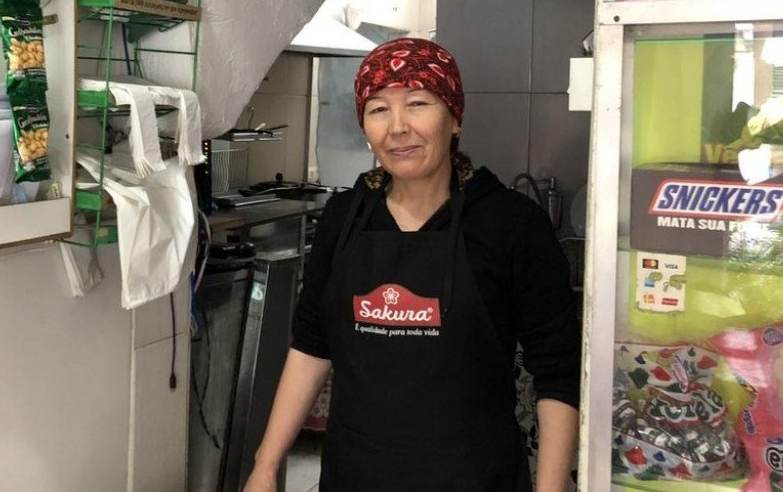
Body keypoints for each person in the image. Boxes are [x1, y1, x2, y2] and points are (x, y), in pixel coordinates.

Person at [243, 38, 581, 492]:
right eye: (379, 109)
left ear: (454, 117)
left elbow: (558, 372)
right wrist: (265, 466)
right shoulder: (344, 218)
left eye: (418, 103)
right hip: (355, 476)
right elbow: (311, 345)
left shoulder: (511, 223)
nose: (398, 127)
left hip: (475, 478)